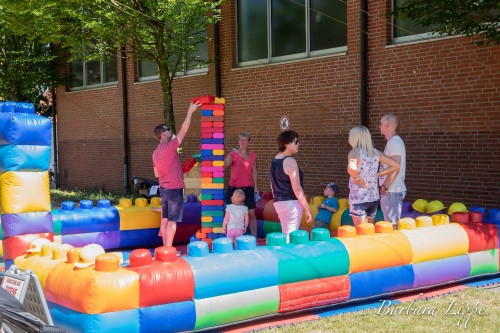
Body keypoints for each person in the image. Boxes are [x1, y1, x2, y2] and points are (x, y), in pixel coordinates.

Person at [152, 101, 201, 250]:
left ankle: (164, 249)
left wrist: (175, 169)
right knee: (172, 221)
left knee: (165, 219)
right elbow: (184, 129)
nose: (170, 130)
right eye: (168, 129)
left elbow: (156, 173)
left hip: (164, 189)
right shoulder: (170, 146)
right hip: (174, 189)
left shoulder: (155, 153)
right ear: (163, 133)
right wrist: (190, 111)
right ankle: (167, 250)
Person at [347, 126, 399, 226]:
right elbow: (396, 165)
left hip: (358, 198)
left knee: (360, 232)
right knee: (369, 231)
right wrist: (379, 174)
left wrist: (357, 179)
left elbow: (352, 168)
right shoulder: (375, 153)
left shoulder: (354, 152)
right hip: (373, 198)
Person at [270, 130, 312, 242]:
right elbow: (297, 188)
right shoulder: (289, 161)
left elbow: (272, 184)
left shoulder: (275, 160)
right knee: (290, 236)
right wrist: (307, 208)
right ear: (287, 144)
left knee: (286, 233)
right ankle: (287, 258)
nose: (298, 144)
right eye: (296, 141)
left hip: (278, 202)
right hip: (291, 203)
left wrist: (277, 200)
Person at [224, 132, 259, 237]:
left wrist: (256, 187)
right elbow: (225, 164)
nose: (243, 142)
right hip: (234, 189)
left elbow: (254, 171)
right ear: (238, 141)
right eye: (241, 140)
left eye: (245, 140)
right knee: (232, 215)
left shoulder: (253, 155)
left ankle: (254, 239)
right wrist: (228, 158)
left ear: (248, 142)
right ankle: (231, 239)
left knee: (251, 215)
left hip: (248, 188)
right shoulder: (233, 154)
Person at [378, 114, 406, 228]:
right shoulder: (392, 142)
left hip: (392, 190)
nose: (379, 126)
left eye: (380, 124)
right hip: (390, 190)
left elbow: (396, 166)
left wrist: (385, 186)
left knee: (392, 224)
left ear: (388, 125)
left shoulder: (395, 142)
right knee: (388, 222)